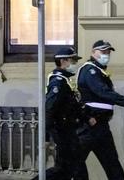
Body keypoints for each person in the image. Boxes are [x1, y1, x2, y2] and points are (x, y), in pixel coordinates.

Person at [31, 47, 87, 180]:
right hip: (63, 130)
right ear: (63, 61)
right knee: (65, 168)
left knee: (71, 168)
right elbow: (49, 109)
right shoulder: (58, 82)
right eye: (72, 60)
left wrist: (86, 117)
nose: (75, 63)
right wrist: (44, 137)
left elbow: (71, 106)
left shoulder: (65, 81)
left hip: (69, 129)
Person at [76, 40, 124, 180]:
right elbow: (103, 92)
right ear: (93, 53)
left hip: (101, 126)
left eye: (108, 52)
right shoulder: (90, 70)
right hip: (89, 126)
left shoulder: (100, 71)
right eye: (103, 51)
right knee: (68, 166)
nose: (107, 54)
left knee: (112, 164)